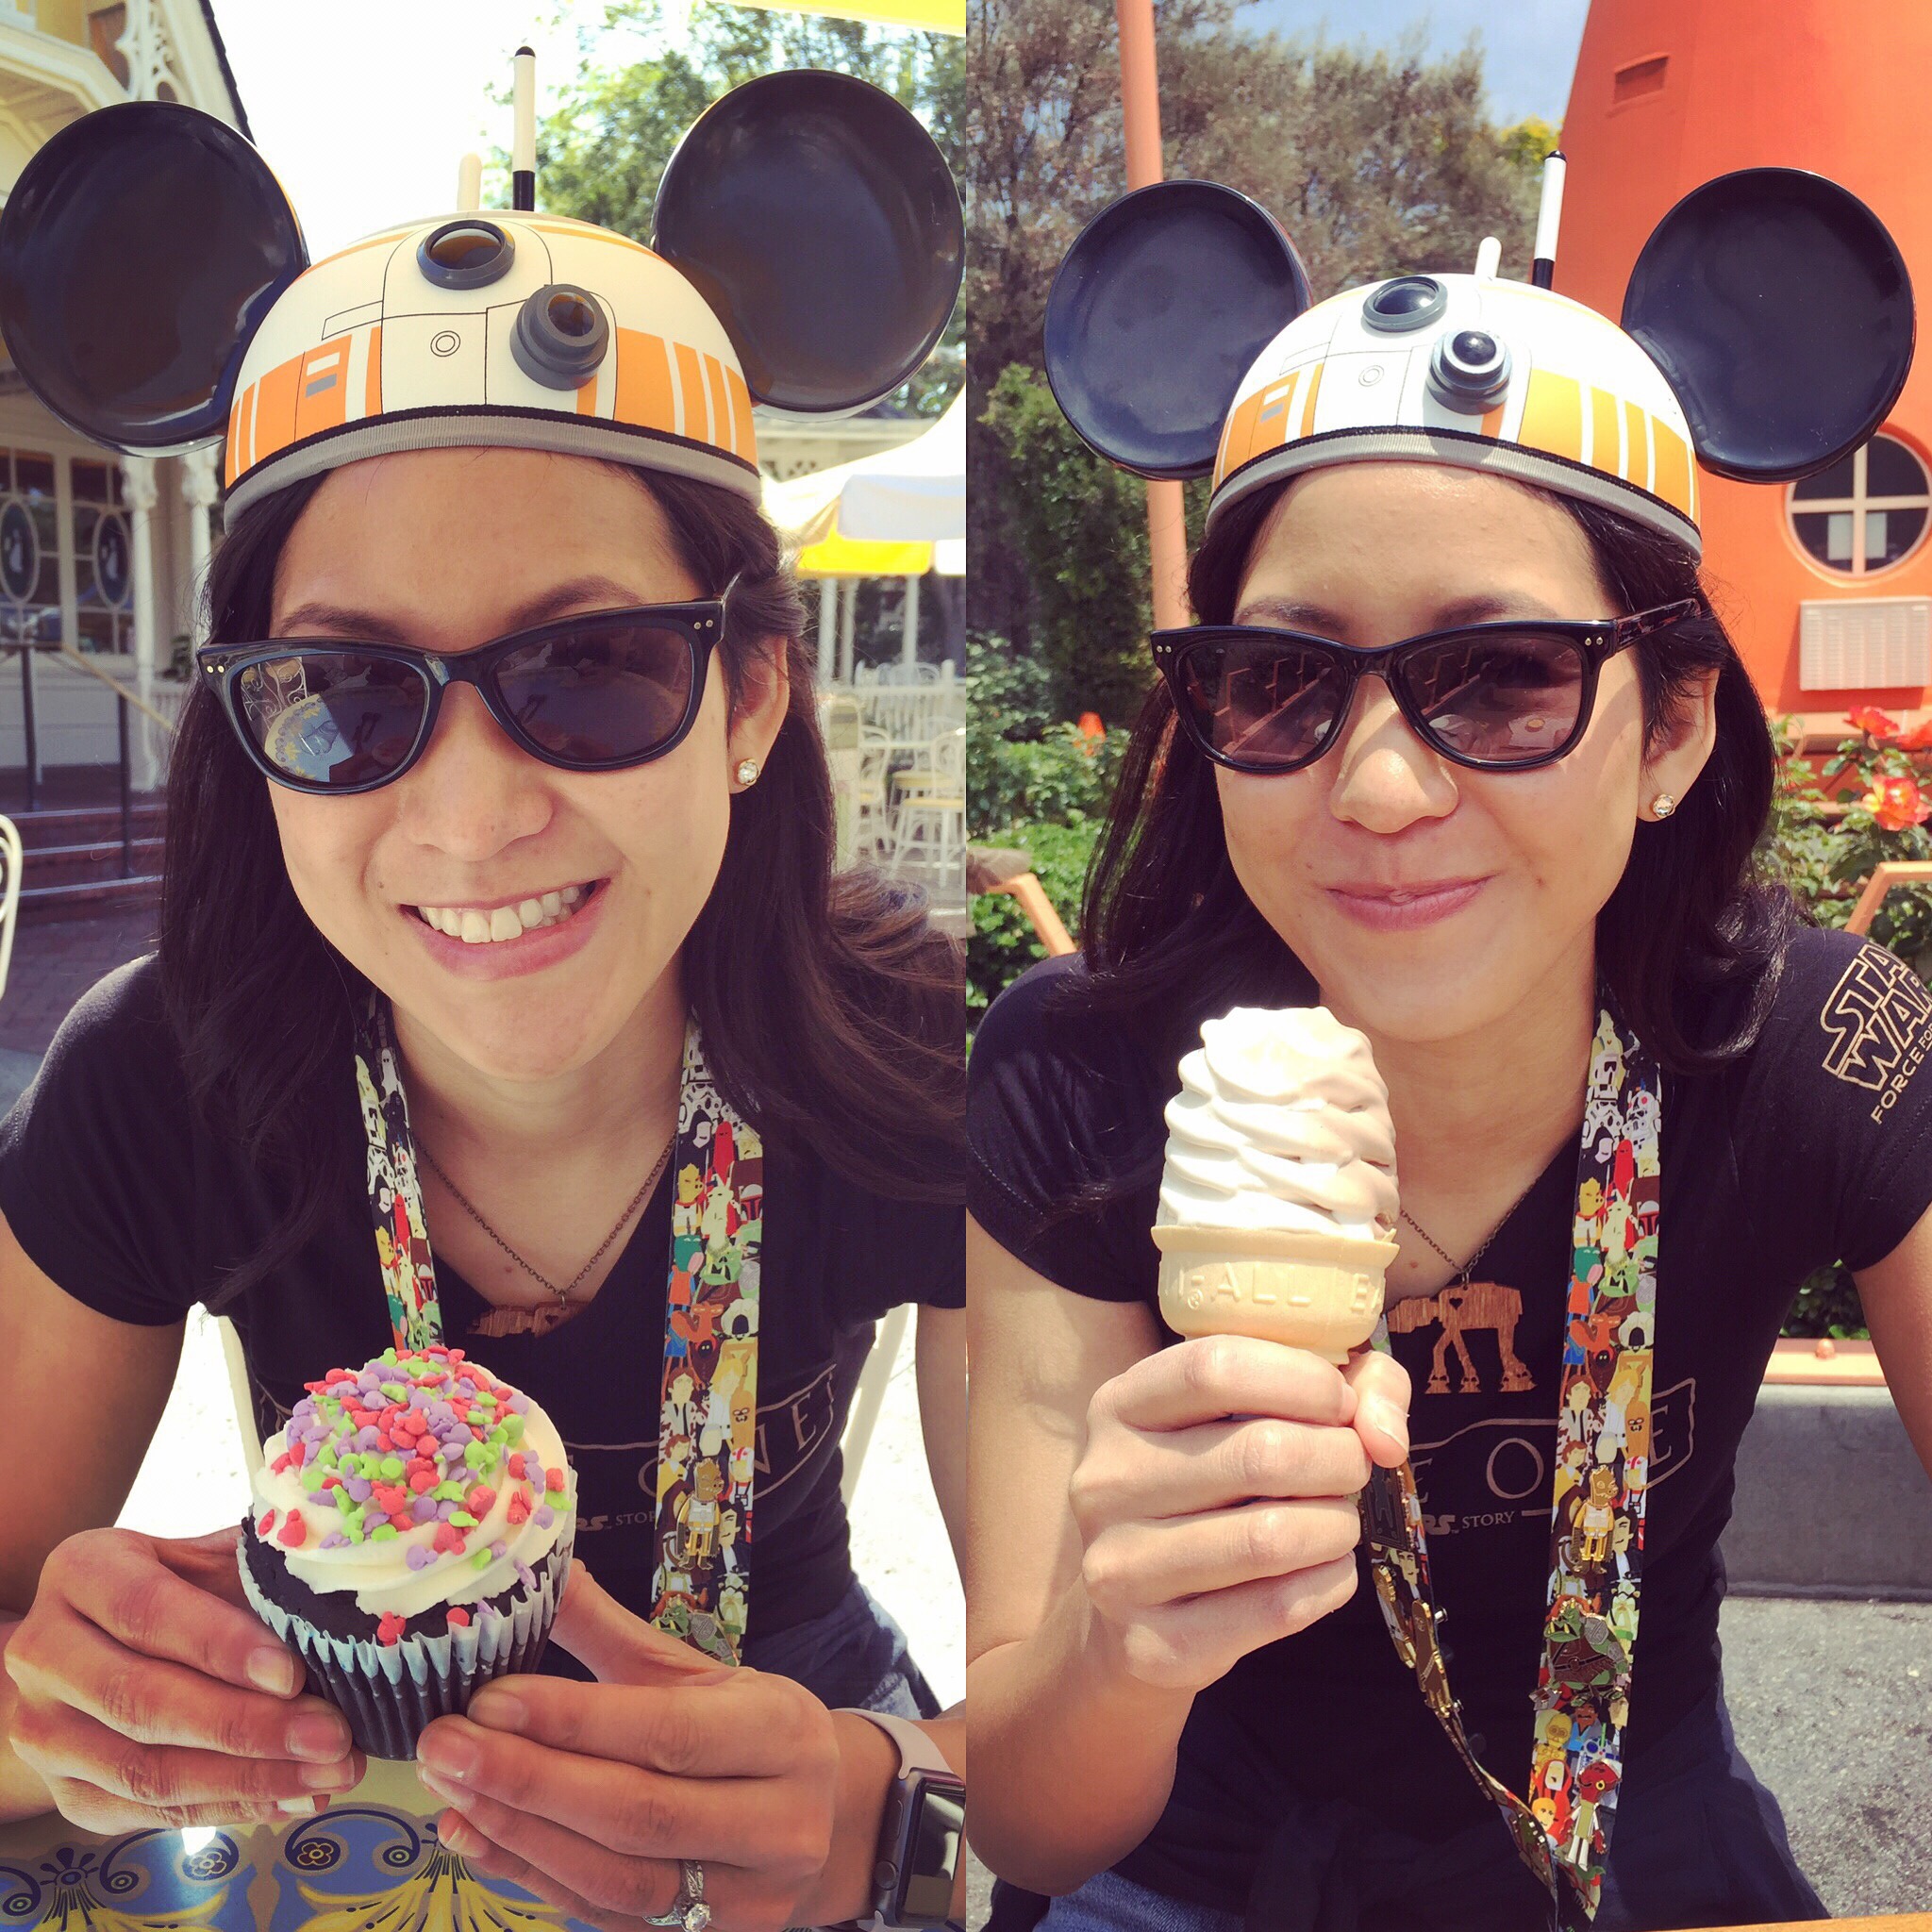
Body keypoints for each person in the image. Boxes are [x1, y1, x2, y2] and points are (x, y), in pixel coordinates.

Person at [0, 69, 968, 1932]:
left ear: (754, 691)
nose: (468, 812)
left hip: (801, 1774)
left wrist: (891, 1803)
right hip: (332, 1810)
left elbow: (1061, 1726)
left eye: (589, 666)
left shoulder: (896, 1045)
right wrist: (69, 1712)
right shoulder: (160, 1074)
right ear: (255, 730)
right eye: (345, 697)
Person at [966, 168, 1932, 1932]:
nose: (1384, 787)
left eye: (1501, 675)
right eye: (1282, 679)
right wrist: (1125, 1640)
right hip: (1192, 1858)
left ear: (1674, 727)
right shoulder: (1076, 1070)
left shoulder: (1814, 1042)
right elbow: (1028, 1822)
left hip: (1638, 1820)